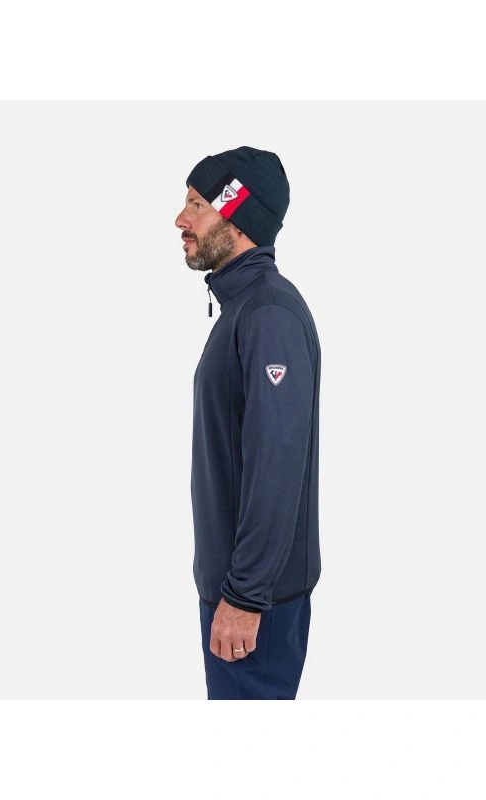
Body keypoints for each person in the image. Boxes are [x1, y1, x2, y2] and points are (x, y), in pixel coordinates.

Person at [175, 146, 322, 700]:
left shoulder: (268, 316)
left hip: (255, 605)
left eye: (198, 204)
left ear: (237, 216)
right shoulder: (245, 309)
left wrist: (244, 596)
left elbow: (277, 466)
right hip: (239, 593)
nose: (181, 219)